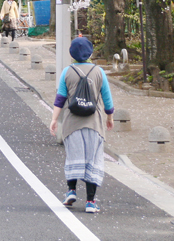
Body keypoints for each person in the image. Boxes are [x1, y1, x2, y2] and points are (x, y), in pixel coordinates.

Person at [50, 37, 115, 214]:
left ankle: (71, 191)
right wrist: (110, 117)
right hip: (94, 122)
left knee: (73, 157)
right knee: (92, 160)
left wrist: (54, 119)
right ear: (90, 53)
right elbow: (107, 100)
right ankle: (90, 201)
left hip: (72, 123)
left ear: (71, 54)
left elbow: (60, 99)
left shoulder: (67, 72)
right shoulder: (99, 72)